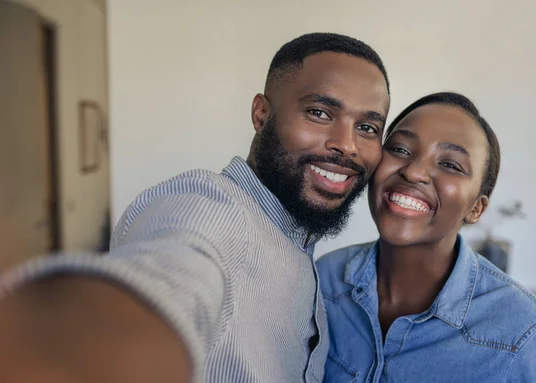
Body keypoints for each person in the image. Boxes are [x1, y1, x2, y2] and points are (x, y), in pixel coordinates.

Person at [0, 33, 391, 382]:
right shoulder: (210, 207)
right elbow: (175, 272)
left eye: (368, 128)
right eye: (320, 113)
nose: (348, 144)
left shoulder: (300, 243)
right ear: (261, 114)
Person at [317, 92, 536, 382]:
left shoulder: (525, 337)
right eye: (399, 149)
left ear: (476, 209)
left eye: (450, 165)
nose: (413, 172)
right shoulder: (328, 278)